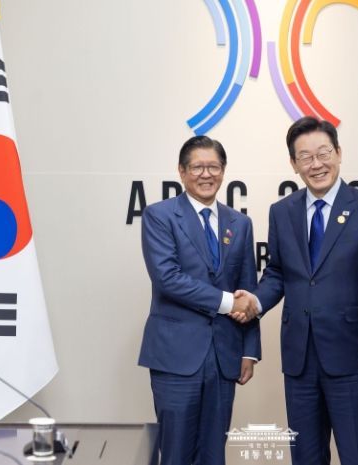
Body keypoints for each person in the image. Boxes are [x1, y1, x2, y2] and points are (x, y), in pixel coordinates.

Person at [232, 117, 358, 465]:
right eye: (305, 157)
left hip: (354, 354)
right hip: (300, 359)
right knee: (306, 457)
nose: (316, 164)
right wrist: (256, 301)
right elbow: (278, 272)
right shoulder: (282, 212)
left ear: (338, 153)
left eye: (324, 153)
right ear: (294, 164)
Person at [138, 135, 261, 465]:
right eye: (197, 167)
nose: (206, 174)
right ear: (181, 171)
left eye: (214, 167)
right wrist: (227, 302)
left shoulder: (240, 224)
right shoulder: (160, 216)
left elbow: (247, 290)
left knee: (213, 454)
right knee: (176, 452)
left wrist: (249, 350)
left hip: (224, 356)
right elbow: (167, 278)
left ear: (223, 171)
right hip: (176, 357)